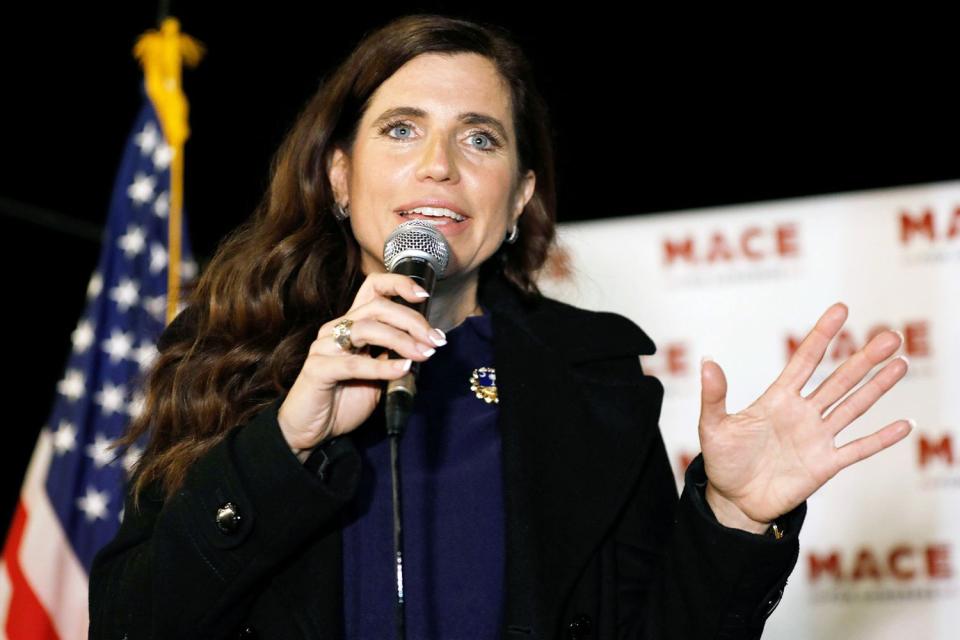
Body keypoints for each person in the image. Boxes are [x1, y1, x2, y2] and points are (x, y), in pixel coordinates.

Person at [88, 13, 912, 640]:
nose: (438, 164)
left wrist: (733, 518)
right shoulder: (230, 359)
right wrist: (285, 445)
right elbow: (132, 621)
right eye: (401, 129)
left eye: (478, 138)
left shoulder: (597, 384)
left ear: (517, 198)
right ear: (340, 176)